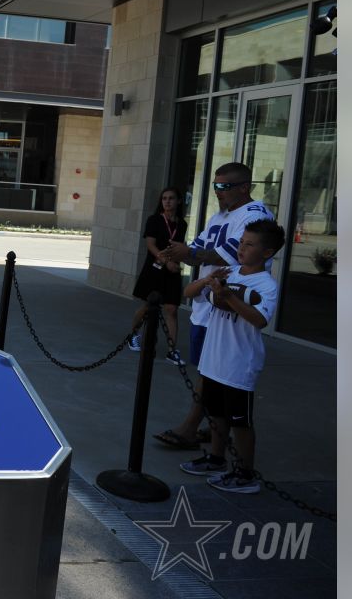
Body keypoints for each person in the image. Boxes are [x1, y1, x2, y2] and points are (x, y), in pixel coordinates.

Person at [152, 162, 274, 450]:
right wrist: (179, 254)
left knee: (214, 376)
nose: (218, 192)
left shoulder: (254, 215)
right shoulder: (219, 216)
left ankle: (192, 427)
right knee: (208, 372)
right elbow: (197, 253)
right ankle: (212, 433)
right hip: (206, 306)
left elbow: (226, 256)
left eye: (224, 186)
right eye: (215, 186)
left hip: (228, 307)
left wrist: (189, 253)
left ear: (245, 187)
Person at [178, 219, 285, 494]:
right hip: (214, 359)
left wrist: (228, 296)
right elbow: (189, 293)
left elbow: (259, 320)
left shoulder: (266, 285)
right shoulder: (230, 272)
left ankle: (245, 473)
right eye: (241, 242)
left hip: (239, 364)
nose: (241, 248)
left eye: (249, 244)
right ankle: (216, 458)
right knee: (216, 414)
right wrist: (206, 280)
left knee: (240, 422)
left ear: (267, 252)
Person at [126, 187, 187, 363]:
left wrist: (176, 262)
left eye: (171, 198)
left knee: (172, 309)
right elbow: (151, 245)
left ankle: (171, 350)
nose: (167, 202)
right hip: (155, 269)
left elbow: (179, 246)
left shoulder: (182, 224)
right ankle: (133, 335)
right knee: (148, 306)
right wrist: (166, 261)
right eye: (164, 199)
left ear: (179, 201)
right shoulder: (154, 220)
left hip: (172, 270)